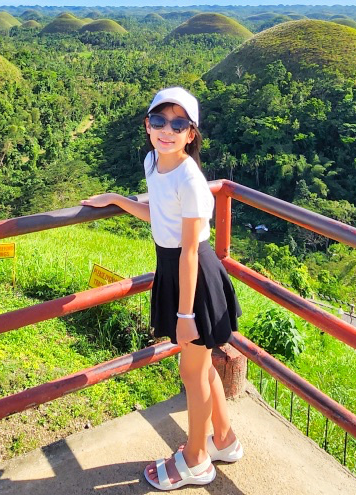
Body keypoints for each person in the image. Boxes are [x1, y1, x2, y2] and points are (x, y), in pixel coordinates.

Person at [81, 86, 243, 490]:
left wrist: (186, 314)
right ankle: (222, 439)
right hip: (173, 268)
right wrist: (118, 199)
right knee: (200, 367)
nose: (166, 130)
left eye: (178, 124)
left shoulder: (190, 178)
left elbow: (190, 249)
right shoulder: (153, 161)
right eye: (159, 121)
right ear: (147, 126)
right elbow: (160, 216)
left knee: (192, 372)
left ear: (191, 134)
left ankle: (196, 459)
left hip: (194, 276)